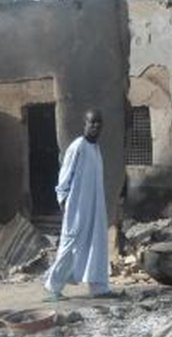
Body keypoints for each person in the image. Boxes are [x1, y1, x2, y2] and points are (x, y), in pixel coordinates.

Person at [43, 109, 115, 300]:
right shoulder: (78, 147)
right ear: (85, 124)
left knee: (97, 244)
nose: (95, 126)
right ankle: (53, 287)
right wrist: (63, 198)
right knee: (70, 245)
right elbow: (65, 175)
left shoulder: (96, 149)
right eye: (92, 123)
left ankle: (99, 287)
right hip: (77, 207)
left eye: (99, 123)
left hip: (95, 207)